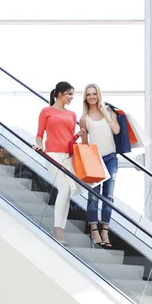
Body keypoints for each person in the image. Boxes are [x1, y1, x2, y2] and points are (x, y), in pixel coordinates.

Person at [33, 81, 78, 245]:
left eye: (72, 94)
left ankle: (60, 229)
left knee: (68, 193)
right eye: (69, 94)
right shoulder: (46, 111)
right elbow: (39, 133)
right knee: (64, 188)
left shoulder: (72, 115)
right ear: (59, 94)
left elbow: (70, 137)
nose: (72, 97)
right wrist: (39, 144)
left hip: (67, 157)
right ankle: (58, 230)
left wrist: (79, 135)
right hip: (52, 154)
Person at [79, 84, 120, 248]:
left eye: (94, 93)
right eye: (88, 94)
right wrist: (82, 136)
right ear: (85, 97)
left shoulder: (108, 112)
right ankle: (94, 229)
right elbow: (85, 144)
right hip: (94, 158)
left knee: (108, 196)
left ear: (98, 95)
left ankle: (105, 230)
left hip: (110, 158)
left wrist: (105, 114)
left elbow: (116, 130)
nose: (91, 97)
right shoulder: (84, 118)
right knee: (93, 195)